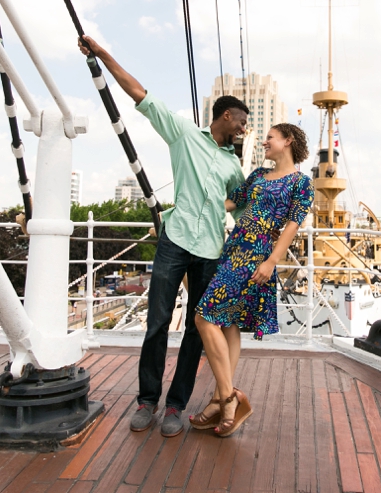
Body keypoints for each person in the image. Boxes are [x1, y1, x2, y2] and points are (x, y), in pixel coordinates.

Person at [78, 35, 248, 437]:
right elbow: (141, 95)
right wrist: (103, 53)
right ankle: (147, 400)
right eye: (241, 121)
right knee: (156, 323)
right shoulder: (185, 135)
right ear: (225, 116)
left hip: (211, 251)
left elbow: (242, 209)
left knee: (195, 330)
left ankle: (176, 406)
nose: (244, 128)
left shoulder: (233, 167)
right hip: (175, 242)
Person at [190, 123, 314, 437]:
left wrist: (273, 261)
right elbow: (231, 202)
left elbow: (292, 225)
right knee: (227, 321)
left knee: (204, 318)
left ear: (287, 141)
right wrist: (189, 213)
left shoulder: (301, 182)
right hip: (234, 247)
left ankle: (229, 398)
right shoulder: (258, 175)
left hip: (257, 256)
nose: (265, 143)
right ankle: (220, 400)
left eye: (270, 138)